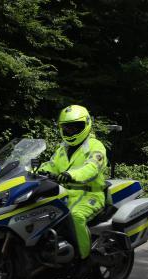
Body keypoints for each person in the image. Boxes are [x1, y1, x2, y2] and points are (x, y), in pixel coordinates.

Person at [39, 105, 107, 267]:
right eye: (67, 128)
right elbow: (51, 165)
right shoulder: (63, 148)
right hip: (64, 194)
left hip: (91, 195)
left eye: (76, 127)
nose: (71, 131)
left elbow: (92, 167)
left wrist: (71, 175)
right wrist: (36, 171)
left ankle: (85, 258)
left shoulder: (95, 146)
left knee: (76, 216)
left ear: (86, 125)